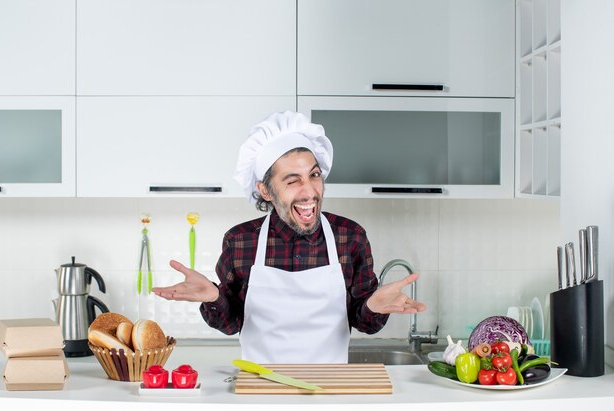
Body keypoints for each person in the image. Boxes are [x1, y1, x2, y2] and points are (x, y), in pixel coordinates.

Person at [152, 111, 426, 364]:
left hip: (329, 391)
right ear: (266, 190)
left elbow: (363, 322)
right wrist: (214, 298)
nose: (309, 192)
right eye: (293, 180)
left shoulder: (350, 237)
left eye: (314, 175)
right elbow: (232, 322)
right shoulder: (240, 241)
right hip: (260, 390)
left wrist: (374, 306)